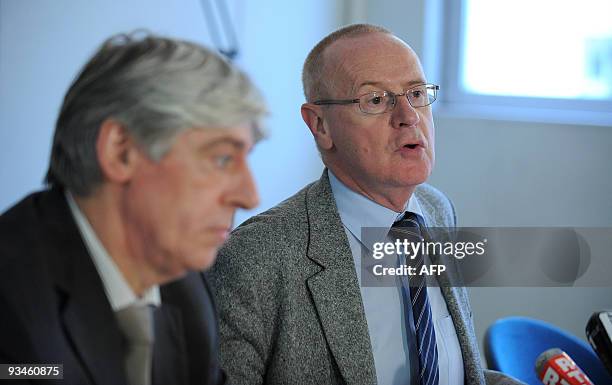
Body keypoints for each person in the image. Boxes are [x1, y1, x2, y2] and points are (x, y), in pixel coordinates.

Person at [208, 24, 524, 385]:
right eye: (375, 100)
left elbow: (452, 369)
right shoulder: (255, 256)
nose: (408, 116)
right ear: (320, 125)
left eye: (416, 93)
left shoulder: (436, 210)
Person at [0, 32, 266, 385]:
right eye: (221, 158)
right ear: (120, 151)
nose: (250, 197)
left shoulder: (185, 287)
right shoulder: (10, 303)